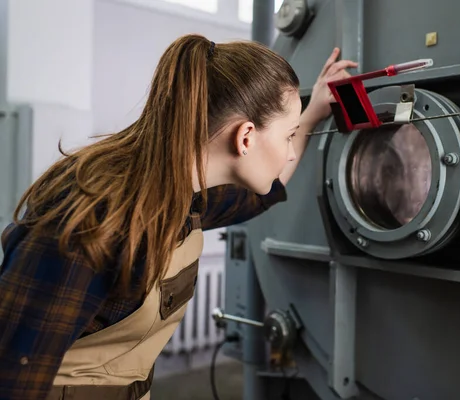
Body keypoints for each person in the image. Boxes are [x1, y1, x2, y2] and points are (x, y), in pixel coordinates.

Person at [0, 34, 357, 400]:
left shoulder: (181, 195)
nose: (289, 153)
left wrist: (311, 115)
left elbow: (258, 196)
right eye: (288, 137)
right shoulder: (94, 215)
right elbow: (15, 372)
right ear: (246, 138)